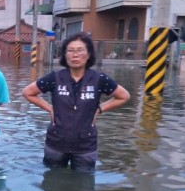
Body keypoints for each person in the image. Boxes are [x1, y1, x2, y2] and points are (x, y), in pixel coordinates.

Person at [22, 31, 130, 172]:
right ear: (65, 55)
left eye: (80, 50)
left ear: (89, 54)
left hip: (85, 144)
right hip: (57, 142)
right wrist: (49, 108)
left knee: (84, 186)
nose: (75, 55)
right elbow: (28, 92)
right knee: (53, 181)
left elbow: (124, 96)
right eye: (70, 51)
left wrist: (100, 109)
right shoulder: (55, 78)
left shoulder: (99, 79)